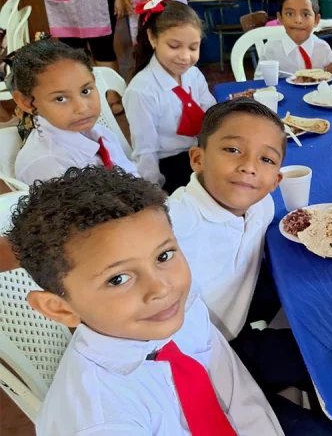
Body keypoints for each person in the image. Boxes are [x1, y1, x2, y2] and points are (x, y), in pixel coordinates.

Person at [8, 166, 285, 436]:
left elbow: (234, 386)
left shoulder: (181, 306)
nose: (161, 288)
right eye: (117, 279)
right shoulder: (101, 422)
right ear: (60, 308)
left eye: (163, 256)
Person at [167, 98, 332, 433]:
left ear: (276, 180)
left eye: (265, 159)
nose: (249, 166)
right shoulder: (171, 231)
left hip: (234, 342)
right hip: (189, 376)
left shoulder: (260, 205)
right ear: (197, 158)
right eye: (233, 150)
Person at [8, 40, 139, 186]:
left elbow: (131, 175)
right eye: (60, 98)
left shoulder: (99, 133)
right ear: (26, 102)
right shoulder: (47, 165)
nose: (82, 108)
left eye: (85, 91)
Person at [123, 0, 215, 193]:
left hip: (197, 153)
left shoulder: (193, 74)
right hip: (168, 165)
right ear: (152, 38)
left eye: (193, 47)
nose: (185, 57)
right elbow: (145, 152)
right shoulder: (142, 91)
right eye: (174, 46)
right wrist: (154, 193)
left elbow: (211, 114)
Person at [46, 0, 129, 114]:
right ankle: (84, 96)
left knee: (102, 47)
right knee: (73, 52)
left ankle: (113, 95)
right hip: (63, 1)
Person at [255, 0, 332, 78]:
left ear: (316, 20)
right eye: (289, 14)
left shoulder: (323, 49)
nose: (298, 20)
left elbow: (330, 81)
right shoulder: (270, 50)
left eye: (305, 14)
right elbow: (259, 84)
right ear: (280, 18)